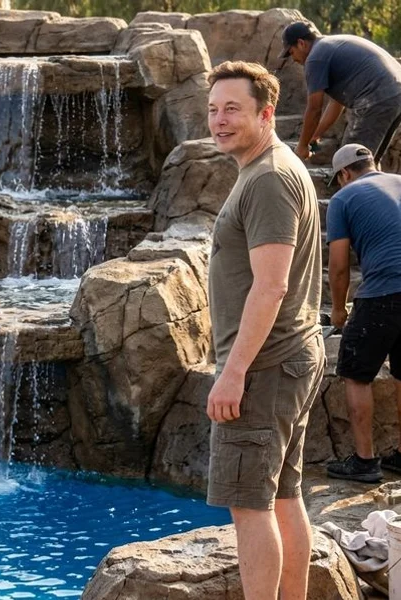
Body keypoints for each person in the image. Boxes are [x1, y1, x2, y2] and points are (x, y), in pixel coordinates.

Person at [206, 61, 325, 600]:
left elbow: (270, 286)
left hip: (264, 366)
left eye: (233, 108)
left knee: (250, 506)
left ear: (266, 113)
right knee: (282, 496)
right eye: (213, 109)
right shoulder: (269, 168)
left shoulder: (271, 178)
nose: (220, 120)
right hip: (288, 357)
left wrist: (233, 373)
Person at [325, 143, 401, 483]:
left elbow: (339, 266)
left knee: (356, 373)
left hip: (382, 293)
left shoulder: (343, 198)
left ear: (343, 174)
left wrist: (339, 311)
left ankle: (365, 461)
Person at [280, 20, 401, 165]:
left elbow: (314, 109)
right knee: (368, 160)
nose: (293, 59)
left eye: (291, 52)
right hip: (395, 93)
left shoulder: (315, 58)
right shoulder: (330, 46)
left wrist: (302, 146)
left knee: (350, 161)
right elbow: (336, 104)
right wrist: (315, 134)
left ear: (301, 43)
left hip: (376, 98)